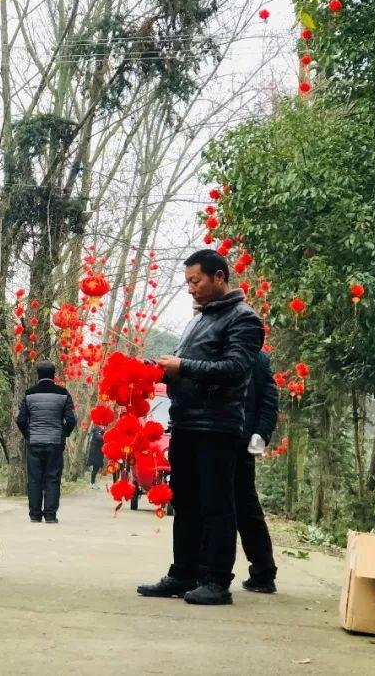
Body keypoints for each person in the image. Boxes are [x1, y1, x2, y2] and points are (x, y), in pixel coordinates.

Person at [137, 248, 263, 606]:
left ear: (219, 277)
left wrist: (183, 367)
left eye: (196, 281)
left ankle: (217, 580)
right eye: (188, 282)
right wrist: (157, 370)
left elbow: (235, 369)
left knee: (216, 504)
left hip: (218, 426)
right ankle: (183, 573)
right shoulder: (198, 320)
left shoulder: (244, 319)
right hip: (186, 422)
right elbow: (187, 367)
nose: (191, 288)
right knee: (186, 502)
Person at [236, 351, 279, 593]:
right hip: (213, 437)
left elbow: (269, 399)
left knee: (245, 506)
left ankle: (263, 571)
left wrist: (261, 433)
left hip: (241, 442)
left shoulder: (257, 359)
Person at [16, 361, 77, 523]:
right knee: (52, 478)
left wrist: (28, 435)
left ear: (38, 375)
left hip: (35, 442)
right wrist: (64, 433)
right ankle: (50, 515)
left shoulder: (29, 394)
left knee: (34, 479)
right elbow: (71, 419)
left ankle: (35, 515)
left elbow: (20, 419)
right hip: (55, 443)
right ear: (54, 375)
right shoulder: (63, 394)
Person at [86, 424, 106, 489]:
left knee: (96, 468)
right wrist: (105, 436)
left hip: (98, 452)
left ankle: (92, 483)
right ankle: (92, 483)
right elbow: (98, 437)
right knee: (95, 468)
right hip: (95, 452)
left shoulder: (101, 430)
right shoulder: (97, 429)